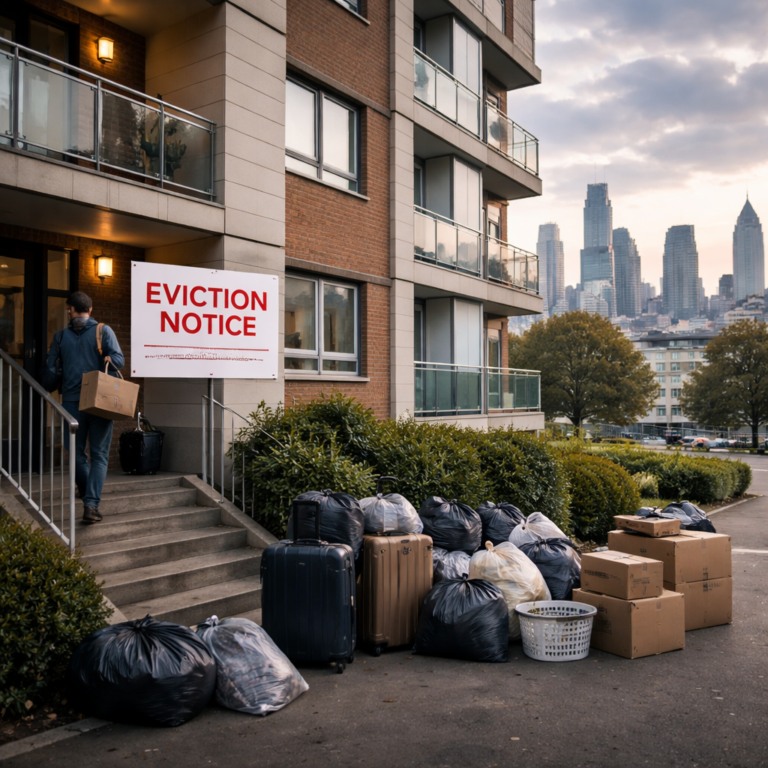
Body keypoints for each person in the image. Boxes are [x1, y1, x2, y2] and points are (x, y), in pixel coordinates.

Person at [43, 292, 125, 524]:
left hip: (71, 404)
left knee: (76, 454)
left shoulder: (60, 337)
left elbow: (50, 369)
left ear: (70, 309)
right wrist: (107, 359)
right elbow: (119, 360)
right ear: (90, 309)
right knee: (99, 456)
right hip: (99, 401)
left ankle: (86, 494)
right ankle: (91, 505)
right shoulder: (103, 331)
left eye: (69, 309)